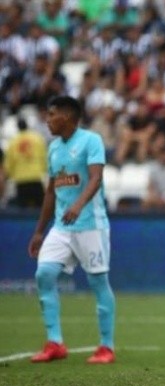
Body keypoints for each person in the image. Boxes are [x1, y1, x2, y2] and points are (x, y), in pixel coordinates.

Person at [27, 96, 116, 364]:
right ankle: (55, 343)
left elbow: (96, 178)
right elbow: (51, 192)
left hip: (90, 224)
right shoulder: (53, 148)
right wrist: (40, 231)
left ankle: (106, 347)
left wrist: (78, 205)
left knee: (98, 283)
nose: (47, 119)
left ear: (66, 117)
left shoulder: (91, 141)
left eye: (51, 114)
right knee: (44, 274)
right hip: (61, 226)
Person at [4, 118, 48, 209]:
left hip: (21, 180)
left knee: (22, 209)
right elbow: (44, 156)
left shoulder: (13, 142)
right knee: (40, 207)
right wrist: (44, 170)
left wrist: (9, 174)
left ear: (18, 127)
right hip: (36, 178)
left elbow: (9, 163)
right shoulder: (37, 138)